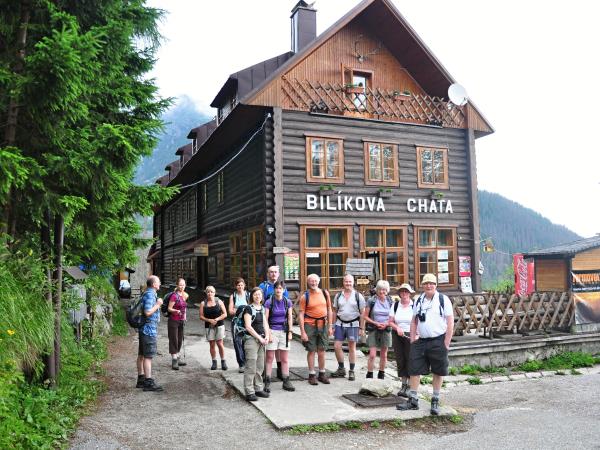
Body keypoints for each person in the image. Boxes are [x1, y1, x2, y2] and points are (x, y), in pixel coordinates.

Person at [397, 273, 454, 415]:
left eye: (432, 283)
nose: (429, 286)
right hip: (421, 340)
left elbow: (450, 321)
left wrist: (446, 342)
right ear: (422, 285)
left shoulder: (443, 300)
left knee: (438, 370)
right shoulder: (419, 300)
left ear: (436, 285)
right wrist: (412, 339)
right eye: (426, 283)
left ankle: (435, 399)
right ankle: (413, 399)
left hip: (438, 339)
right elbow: (414, 320)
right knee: (414, 368)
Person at [298, 273, 333, 385]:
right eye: (311, 281)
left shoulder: (325, 293)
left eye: (315, 281)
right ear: (308, 282)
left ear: (319, 281)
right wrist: (302, 331)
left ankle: (322, 374)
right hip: (310, 325)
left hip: (323, 324)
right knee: (311, 350)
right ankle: (312, 375)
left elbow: (329, 310)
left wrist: (330, 326)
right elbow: (301, 314)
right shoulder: (305, 296)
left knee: (322, 350)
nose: (313, 283)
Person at [332, 273, 365, 381]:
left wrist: (362, 328)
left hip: (353, 324)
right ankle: (341, 368)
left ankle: (351, 371)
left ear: (353, 282)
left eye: (350, 282)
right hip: (339, 323)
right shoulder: (338, 296)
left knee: (352, 348)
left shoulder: (358, 296)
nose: (348, 284)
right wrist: (332, 325)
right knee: (337, 346)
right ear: (343, 282)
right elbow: (334, 311)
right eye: (346, 281)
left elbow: (362, 313)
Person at [264, 281, 295, 392]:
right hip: (272, 330)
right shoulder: (269, 302)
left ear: (284, 290)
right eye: (276, 288)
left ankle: (286, 380)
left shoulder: (287, 302)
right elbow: (265, 319)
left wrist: (290, 332)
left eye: (280, 288)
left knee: (284, 358)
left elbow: (290, 318)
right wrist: (268, 334)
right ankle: (267, 380)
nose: (278, 290)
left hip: (284, 331)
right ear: (274, 289)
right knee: (270, 357)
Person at [259, 265, 288, 380]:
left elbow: (285, 303)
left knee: (279, 348)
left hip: (279, 321)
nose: (273, 274)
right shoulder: (263, 286)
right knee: (267, 347)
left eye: (275, 272)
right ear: (267, 273)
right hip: (266, 319)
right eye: (271, 272)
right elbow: (259, 300)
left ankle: (280, 370)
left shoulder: (282, 286)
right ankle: (264, 371)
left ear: (279, 274)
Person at [136, 275, 163, 391]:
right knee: (148, 356)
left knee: (141, 354)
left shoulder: (147, 293)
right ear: (153, 284)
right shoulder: (150, 295)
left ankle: (141, 379)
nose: (160, 283)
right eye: (158, 282)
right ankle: (148, 382)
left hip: (144, 329)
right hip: (148, 330)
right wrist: (158, 305)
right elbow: (147, 312)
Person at [243, 287, 271, 401]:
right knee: (251, 366)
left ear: (262, 297)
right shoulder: (248, 309)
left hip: (262, 340)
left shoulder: (262, 308)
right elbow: (248, 327)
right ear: (252, 296)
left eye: (259, 294)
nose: (257, 296)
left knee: (260, 366)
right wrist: (260, 338)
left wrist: (267, 336)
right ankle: (249, 391)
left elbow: (265, 324)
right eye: (255, 294)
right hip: (251, 340)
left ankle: (258, 388)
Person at [362, 280, 393, 379]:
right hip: (373, 329)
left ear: (387, 290)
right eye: (380, 289)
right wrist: (375, 323)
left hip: (386, 329)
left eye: (384, 290)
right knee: (372, 354)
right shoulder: (371, 300)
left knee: (384, 355)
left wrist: (386, 324)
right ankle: (370, 374)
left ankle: (381, 373)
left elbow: (393, 317)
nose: (382, 292)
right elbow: (365, 316)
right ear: (377, 290)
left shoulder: (390, 301)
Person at [389, 283, 415, 397]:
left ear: (409, 293)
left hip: (410, 334)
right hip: (397, 334)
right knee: (400, 359)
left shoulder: (414, 306)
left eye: (406, 291)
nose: (404, 293)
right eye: (402, 291)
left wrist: (417, 334)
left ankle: (410, 386)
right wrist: (397, 328)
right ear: (399, 293)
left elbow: (418, 321)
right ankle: (403, 385)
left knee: (410, 359)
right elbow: (390, 321)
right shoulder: (395, 305)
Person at [199, 286, 228, 370]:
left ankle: (223, 361)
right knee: (212, 344)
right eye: (208, 292)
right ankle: (214, 362)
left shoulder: (219, 301)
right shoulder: (203, 303)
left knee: (220, 344)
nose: (210, 293)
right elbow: (201, 316)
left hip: (219, 325)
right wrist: (209, 320)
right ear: (206, 293)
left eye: (212, 292)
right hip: (209, 326)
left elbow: (225, 314)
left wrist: (217, 319)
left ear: (214, 293)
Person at [229, 277, 250, 373]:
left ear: (244, 285)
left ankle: (247, 362)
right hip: (236, 322)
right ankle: (241, 364)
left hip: (247, 322)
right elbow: (230, 311)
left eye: (241, 285)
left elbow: (251, 308)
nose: (240, 287)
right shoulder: (233, 296)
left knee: (246, 342)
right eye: (238, 285)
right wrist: (242, 309)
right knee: (237, 342)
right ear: (235, 286)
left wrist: (238, 309)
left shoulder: (248, 295)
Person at [167, 278, 188, 370]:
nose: (182, 286)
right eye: (180, 285)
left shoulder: (184, 295)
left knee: (179, 339)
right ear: (177, 285)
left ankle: (178, 356)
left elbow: (184, 307)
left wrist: (185, 316)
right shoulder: (174, 296)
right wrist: (175, 311)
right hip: (173, 320)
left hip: (181, 320)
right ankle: (174, 359)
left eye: (183, 285)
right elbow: (169, 308)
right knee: (173, 339)